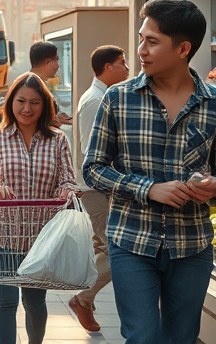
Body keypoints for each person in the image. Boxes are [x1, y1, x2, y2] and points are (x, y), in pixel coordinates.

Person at [83, 0, 216, 344]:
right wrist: (148, 188)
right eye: (141, 39)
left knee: (180, 338)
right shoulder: (118, 99)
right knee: (141, 337)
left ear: (183, 48)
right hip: (131, 241)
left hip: (192, 246)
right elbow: (93, 169)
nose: (141, 50)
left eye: (152, 41)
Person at [0, 72, 76, 344]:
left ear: (45, 106)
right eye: (20, 101)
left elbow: (68, 179)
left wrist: (66, 191)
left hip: (40, 238)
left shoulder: (58, 140)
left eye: (34, 103)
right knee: (5, 302)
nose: (26, 109)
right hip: (2, 237)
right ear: (10, 103)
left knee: (34, 302)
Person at [67, 45, 129, 332]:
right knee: (118, 250)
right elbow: (91, 150)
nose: (127, 68)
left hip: (103, 188)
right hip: (98, 188)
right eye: (122, 62)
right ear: (107, 68)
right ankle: (83, 298)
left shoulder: (103, 96)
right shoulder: (95, 100)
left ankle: (86, 302)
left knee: (104, 247)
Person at [29, 41, 72, 127]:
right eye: (56, 60)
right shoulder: (30, 86)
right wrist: (54, 120)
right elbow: (28, 119)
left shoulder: (40, 83)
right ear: (48, 62)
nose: (58, 66)